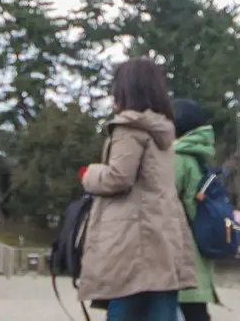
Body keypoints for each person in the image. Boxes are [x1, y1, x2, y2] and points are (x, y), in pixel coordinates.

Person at [77, 58, 196, 321]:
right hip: (163, 233)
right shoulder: (163, 132)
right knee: (161, 302)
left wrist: (89, 174)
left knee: (125, 303)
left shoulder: (129, 129)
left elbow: (118, 177)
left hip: (131, 237)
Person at [171, 99, 221, 321]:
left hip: (180, 256)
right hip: (198, 253)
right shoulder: (199, 159)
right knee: (196, 311)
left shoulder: (176, 159)